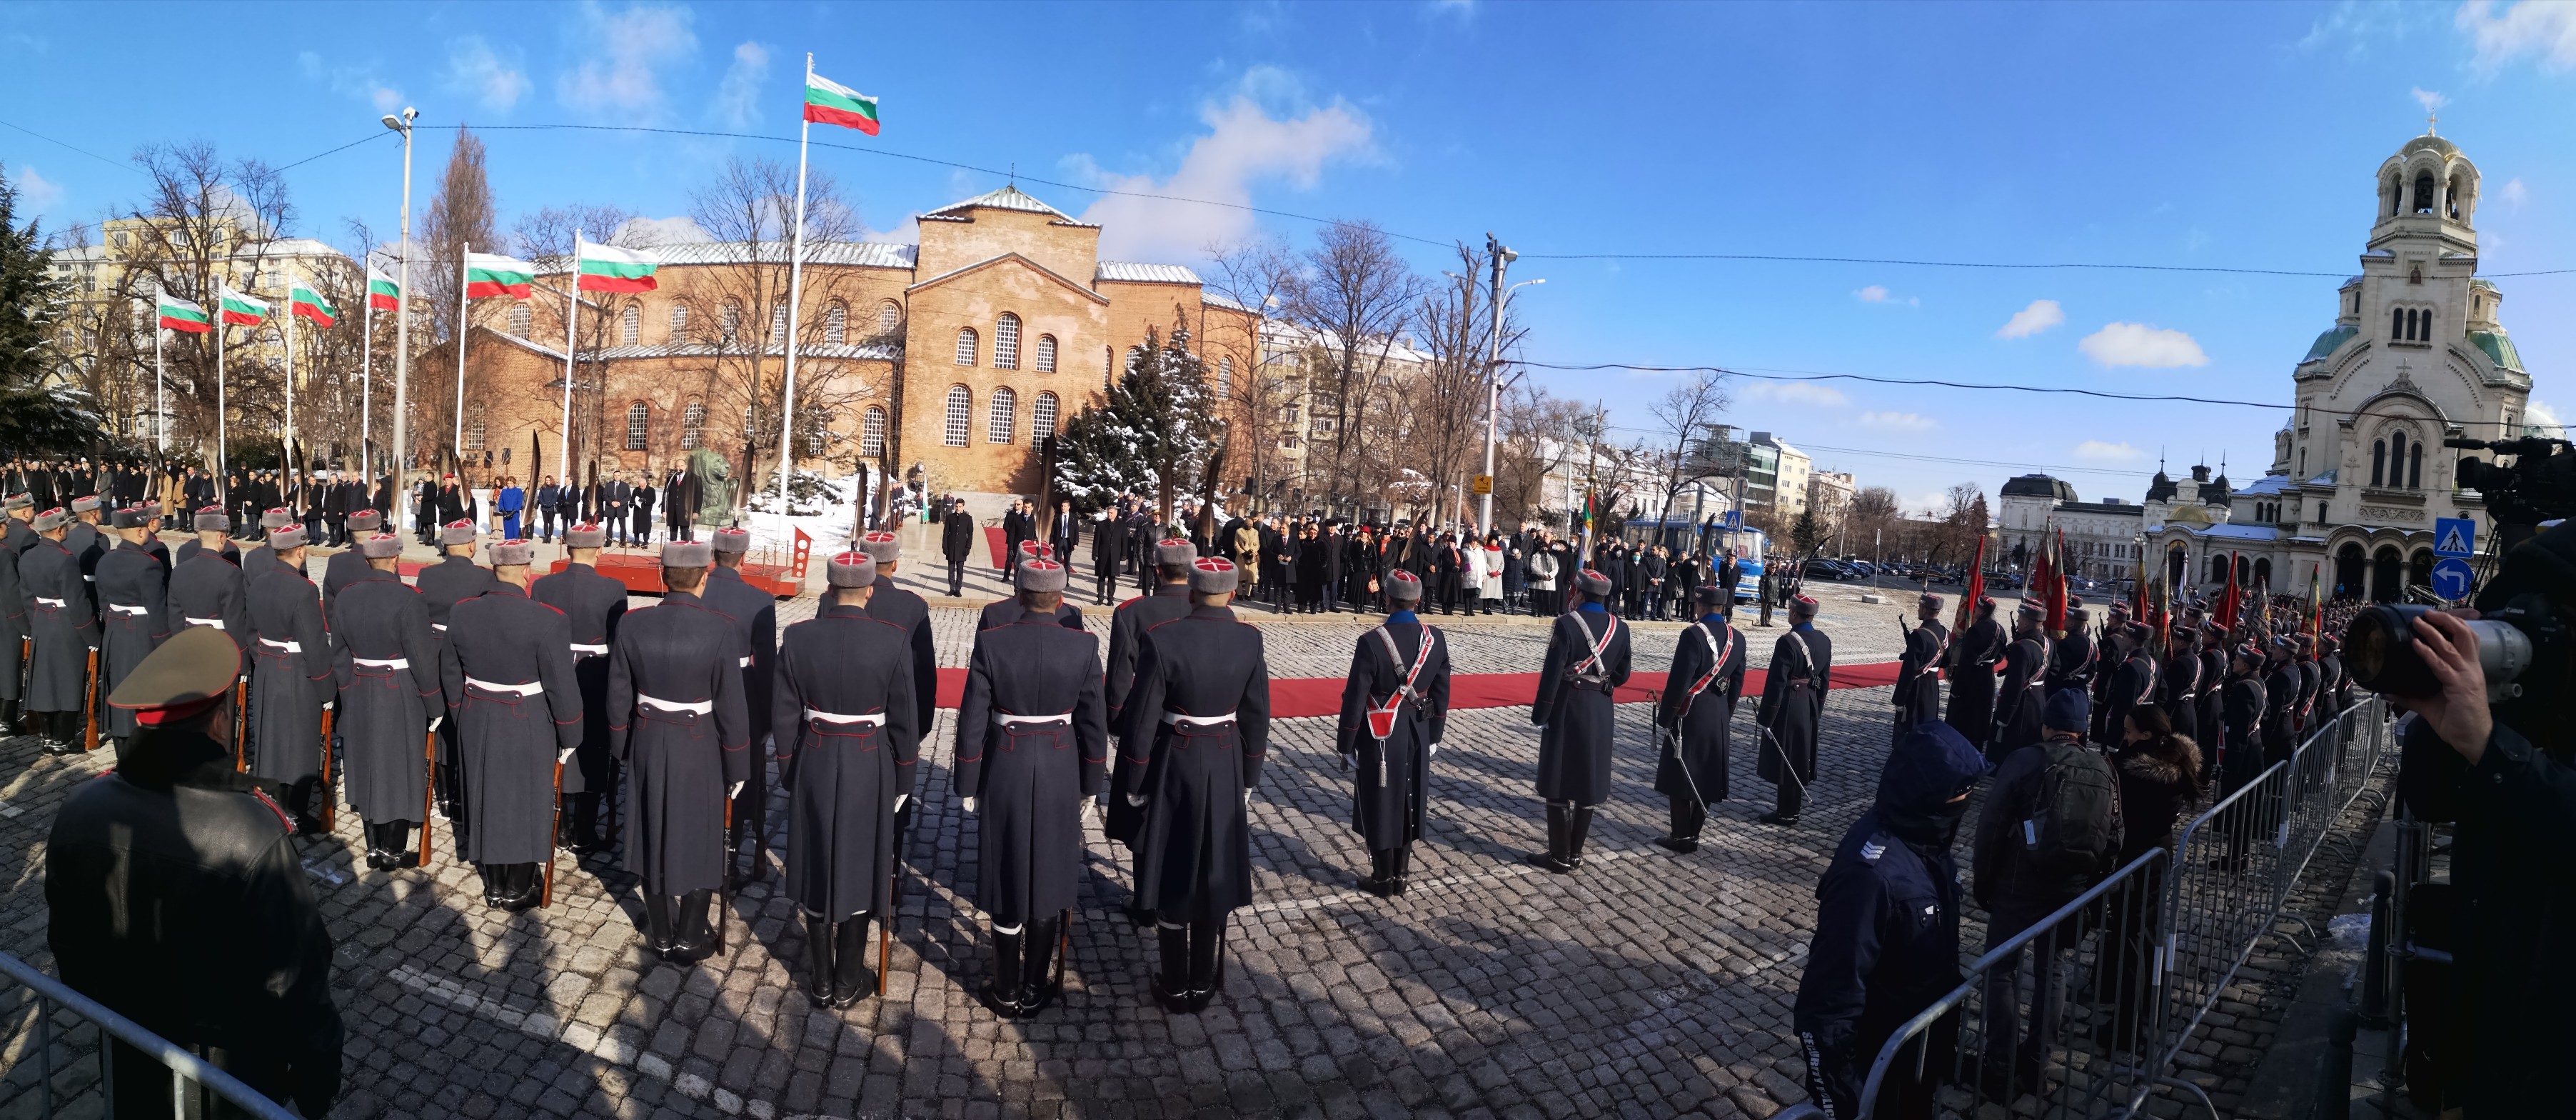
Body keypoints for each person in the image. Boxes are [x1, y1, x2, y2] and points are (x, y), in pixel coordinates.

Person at [46, 626, 343, 1117]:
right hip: (228, 1069)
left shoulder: (80, 806)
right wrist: (318, 1079)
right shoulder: (252, 830)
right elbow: (296, 976)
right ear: (219, 722)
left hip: (127, 1044)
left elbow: (68, 939)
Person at [1792, 721, 1990, 1119]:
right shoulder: (1869, 876)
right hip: (1880, 1060)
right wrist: (1847, 1094)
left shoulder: (1928, 843)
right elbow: (1830, 998)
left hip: (1918, 1049)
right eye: (1962, 792)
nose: (1969, 801)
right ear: (1930, 796)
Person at [950, 558, 1107, 1018]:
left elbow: (973, 719)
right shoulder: (1083, 645)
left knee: (1007, 870)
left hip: (1007, 764)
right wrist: (1091, 783)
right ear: (1060, 600)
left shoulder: (992, 643)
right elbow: (1094, 725)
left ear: (1019, 595)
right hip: (1060, 766)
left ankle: (1005, 988)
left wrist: (967, 780)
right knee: (1050, 873)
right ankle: (1035, 987)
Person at [1118, 556, 1270, 1014]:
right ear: (1233, 593)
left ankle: (1174, 982)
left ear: (1191, 592)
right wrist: (1250, 776)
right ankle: (1203, 981)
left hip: (1176, 760)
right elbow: (1257, 716)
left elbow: (1143, 719)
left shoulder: (1163, 638)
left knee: (1173, 866)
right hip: (1225, 759)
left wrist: (1135, 778)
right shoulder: (1250, 639)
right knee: (1213, 867)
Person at [773, 551, 918, 1007]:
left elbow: (784, 714)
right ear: (870, 591)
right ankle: (847, 980)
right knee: (859, 861)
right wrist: (905, 780)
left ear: (830, 589)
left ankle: (820, 980)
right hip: (868, 761)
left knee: (816, 859)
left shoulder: (797, 636)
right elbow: (905, 720)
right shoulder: (893, 640)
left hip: (815, 756)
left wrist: (789, 768)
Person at [1971, 689, 2123, 1098]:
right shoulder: (2103, 767)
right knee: (2052, 970)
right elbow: (2115, 837)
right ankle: (2038, 1063)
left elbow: (1990, 827)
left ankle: (2000, 1063)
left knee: (2002, 969)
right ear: (2081, 731)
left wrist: (1983, 880)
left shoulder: (2025, 760)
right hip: (2069, 888)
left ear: (2046, 726)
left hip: (2018, 884)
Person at [610, 541, 750, 963]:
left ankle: (661, 934)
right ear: (704, 579)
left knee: (650, 832)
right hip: (699, 744)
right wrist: (738, 765)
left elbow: (618, 697)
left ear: (662, 576)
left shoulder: (632, 625)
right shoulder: (721, 629)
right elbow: (731, 708)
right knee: (701, 836)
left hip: (648, 740)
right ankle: (689, 936)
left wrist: (623, 748)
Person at [441, 539, 583, 910]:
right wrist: (571, 733)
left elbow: (450, 672)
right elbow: (561, 687)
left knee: (485, 797)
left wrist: (461, 713)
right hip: (527, 719)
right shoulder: (549, 619)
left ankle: (494, 885)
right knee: (525, 802)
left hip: (476, 714)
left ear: (494, 569)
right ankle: (517, 888)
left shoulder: (462, 612)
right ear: (527, 572)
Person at [1334, 569, 1449, 895]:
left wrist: (1346, 743)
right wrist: (1435, 734)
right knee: (1409, 798)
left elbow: (1355, 697)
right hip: (1418, 729)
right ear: (1418, 600)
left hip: (1380, 733)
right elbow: (1442, 690)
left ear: (1387, 599)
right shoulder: (1435, 638)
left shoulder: (1371, 642)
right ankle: (1401, 874)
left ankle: (1383, 878)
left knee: (1381, 801)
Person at [330, 531, 441, 871]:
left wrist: (348, 690)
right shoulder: (409, 599)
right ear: (395, 560)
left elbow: (339, 654)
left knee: (365, 763)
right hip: (399, 690)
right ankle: (393, 849)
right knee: (398, 766)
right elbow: (422, 659)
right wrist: (434, 704)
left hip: (359, 686)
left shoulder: (346, 596)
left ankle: (374, 846)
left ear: (367, 561)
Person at [1102, 536, 1198, 923]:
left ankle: (1145, 900)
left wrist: (1117, 723)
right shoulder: (1208, 610)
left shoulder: (1133, 612)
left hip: (1150, 729)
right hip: (1196, 731)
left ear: (1156, 569)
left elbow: (1119, 680)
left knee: (1145, 812)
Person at [2100, 702, 2202, 1054]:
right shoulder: (2175, 761)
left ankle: (2128, 1027)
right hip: (2158, 854)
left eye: (2129, 732)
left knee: (2131, 940)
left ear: (2146, 735)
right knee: (2146, 936)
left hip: (2134, 858)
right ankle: (2149, 1009)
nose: (2125, 738)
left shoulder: (2134, 772)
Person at [532, 523, 628, 854]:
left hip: (554, 672)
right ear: (599, 550)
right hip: (595, 676)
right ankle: (584, 832)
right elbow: (618, 642)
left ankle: (559, 827)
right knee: (593, 749)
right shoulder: (613, 588)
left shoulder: (543, 585)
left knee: (556, 743)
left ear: (568, 548)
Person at [1528, 569, 1630, 871]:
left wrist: (1541, 714)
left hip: (1568, 707)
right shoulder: (1620, 627)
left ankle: (1559, 855)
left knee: (1558, 779)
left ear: (1580, 593)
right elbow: (1623, 673)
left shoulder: (1567, 624)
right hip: (1601, 708)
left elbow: (1551, 675)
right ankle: (1575, 853)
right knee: (1589, 778)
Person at [855, 531, 938, 894]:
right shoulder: (912, 606)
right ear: (894, 564)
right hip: (896, 719)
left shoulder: (835, 598)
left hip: (848, 718)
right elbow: (925, 673)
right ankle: (890, 874)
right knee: (896, 796)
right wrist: (921, 726)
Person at [703, 527, 781, 882]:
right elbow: (766, 666)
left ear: (713, 555)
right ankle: (730, 854)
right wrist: (766, 720)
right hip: (743, 693)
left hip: (697, 690)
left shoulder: (697, 588)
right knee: (739, 774)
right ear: (744, 558)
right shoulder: (759, 600)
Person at [246, 525, 333, 831]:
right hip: (297, 670)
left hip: (268, 667)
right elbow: (315, 645)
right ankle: (295, 810)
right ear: (300, 550)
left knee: (271, 735)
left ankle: (272, 800)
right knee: (300, 740)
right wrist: (327, 688)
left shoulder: (258, 582)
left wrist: (264, 659)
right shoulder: (304, 589)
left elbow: (250, 631)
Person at [1654, 584, 1746, 854]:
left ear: (1701, 606)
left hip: (1690, 711)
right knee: (1707, 775)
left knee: (1679, 773)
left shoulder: (1693, 635)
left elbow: (1679, 681)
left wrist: (1666, 716)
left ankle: (1681, 836)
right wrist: (1726, 713)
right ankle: (1694, 833)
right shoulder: (1737, 638)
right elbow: (1737, 682)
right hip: (1718, 712)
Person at [416, 521, 497, 820]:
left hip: (434, 652)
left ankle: (445, 795)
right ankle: (463, 795)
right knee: (464, 720)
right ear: (472, 545)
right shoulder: (484, 578)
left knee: (438, 724)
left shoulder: (427, 574)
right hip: (467, 656)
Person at [94, 506, 170, 760]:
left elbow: (103, 601)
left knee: (120, 688)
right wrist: (165, 646)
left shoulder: (105, 560)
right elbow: (157, 612)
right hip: (141, 633)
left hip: (115, 630)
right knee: (145, 694)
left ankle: (122, 750)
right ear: (140, 531)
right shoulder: (149, 565)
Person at [21, 506, 97, 755]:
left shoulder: (28, 556)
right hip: (65, 624)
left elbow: (26, 596)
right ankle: (62, 740)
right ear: (60, 529)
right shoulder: (65, 559)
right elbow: (77, 602)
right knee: (67, 681)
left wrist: (36, 622)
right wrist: (92, 636)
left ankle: (47, 737)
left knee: (45, 681)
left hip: (42, 621)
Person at [1757, 594, 1833, 826]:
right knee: (1800, 756)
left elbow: (1776, 683)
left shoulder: (1787, 642)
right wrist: (1817, 710)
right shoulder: (1824, 640)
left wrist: (1767, 717)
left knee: (1787, 756)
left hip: (1789, 703)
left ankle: (1786, 813)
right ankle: (1792, 810)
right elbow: (1825, 681)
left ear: (1795, 613)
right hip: (1809, 703)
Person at [1992, 603, 2053, 763]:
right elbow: (2054, 669)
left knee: (2012, 751)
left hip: (2020, 706)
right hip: (2039, 702)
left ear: (2026, 622)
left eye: (2019, 618)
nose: (2017, 621)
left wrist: (2004, 717)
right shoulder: (2049, 643)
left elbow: (2014, 687)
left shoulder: (2021, 648)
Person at [1946, 596, 2003, 748]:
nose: (1974, 611)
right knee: (1980, 720)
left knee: (1966, 722)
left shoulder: (1975, 631)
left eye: (1977, 608)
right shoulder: (2000, 630)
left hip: (1972, 681)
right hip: (1988, 679)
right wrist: (1988, 662)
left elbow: (1965, 662)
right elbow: (2000, 655)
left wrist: (1955, 691)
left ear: (1982, 611)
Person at [1893, 593, 1949, 740]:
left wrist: (1899, 700)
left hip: (1916, 688)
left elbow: (1909, 671)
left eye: (1920, 607)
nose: (1918, 610)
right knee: (1928, 726)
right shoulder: (1945, 633)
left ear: (1925, 610)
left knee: (1911, 729)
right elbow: (1946, 661)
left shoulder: (1919, 635)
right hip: (1932, 688)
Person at [320, 508, 386, 617]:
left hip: (342, 625)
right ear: (375, 533)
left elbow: (329, 605)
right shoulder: (384, 563)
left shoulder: (335, 561)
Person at [941, 496, 975, 596]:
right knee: (951, 570)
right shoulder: (950, 517)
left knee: (960, 571)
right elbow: (946, 533)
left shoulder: (968, 518)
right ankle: (952, 589)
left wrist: (968, 547)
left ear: (963, 506)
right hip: (951, 547)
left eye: (960, 507)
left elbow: (970, 534)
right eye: (956, 506)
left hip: (962, 548)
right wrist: (945, 546)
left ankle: (958, 589)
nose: (958, 508)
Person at [535, 476, 562, 543]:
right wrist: (543, 503)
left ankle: (550, 536)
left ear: (551, 480)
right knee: (545, 522)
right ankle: (546, 536)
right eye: (546, 480)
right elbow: (540, 497)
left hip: (551, 508)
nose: (547, 481)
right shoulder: (543, 487)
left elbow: (555, 497)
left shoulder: (555, 488)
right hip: (544, 507)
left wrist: (550, 504)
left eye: (549, 480)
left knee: (551, 522)